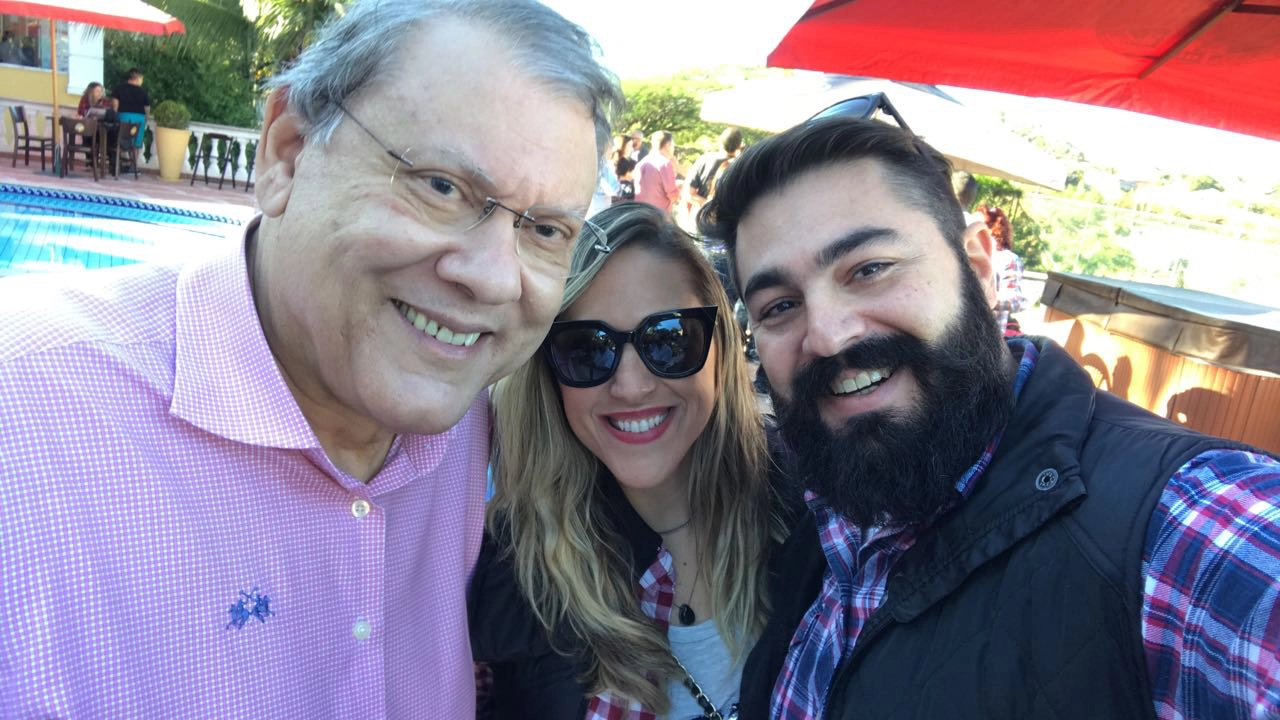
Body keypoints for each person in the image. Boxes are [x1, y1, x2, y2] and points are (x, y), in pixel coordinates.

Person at [0, 1, 622, 716]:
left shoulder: (480, 422)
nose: (491, 276)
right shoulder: (25, 419)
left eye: (545, 229)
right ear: (287, 151)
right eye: (441, 187)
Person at [699, 116, 1280, 720]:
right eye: (780, 306)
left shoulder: (1188, 528)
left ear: (977, 264)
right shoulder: (827, 494)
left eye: (869, 269)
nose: (826, 335)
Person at [471, 202, 800, 718]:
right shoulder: (509, 575)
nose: (631, 386)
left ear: (719, 345)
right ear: (549, 374)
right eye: (587, 349)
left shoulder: (815, 515)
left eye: (669, 340)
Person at [982, 204, 1027, 335]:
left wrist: (987, 300)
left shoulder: (1007, 259)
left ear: (992, 229)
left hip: (988, 338)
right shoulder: (963, 253)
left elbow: (1018, 301)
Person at [635, 130, 679, 214]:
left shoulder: (641, 163)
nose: (673, 148)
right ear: (668, 145)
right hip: (657, 216)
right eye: (673, 145)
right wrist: (680, 188)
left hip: (639, 213)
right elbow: (673, 195)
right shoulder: (664, 163)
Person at [111, 67, 150, 149]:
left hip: (123, 119)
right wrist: (145, 121)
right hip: (139, 121)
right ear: (137, 78)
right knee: (136, 144)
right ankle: (134, 157)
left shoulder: (119, 89)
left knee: (118, 137)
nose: (142, 81)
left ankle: (118, 153)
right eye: (142, 79)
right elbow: (147, 110)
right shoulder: (143, 92)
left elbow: (114, 107)